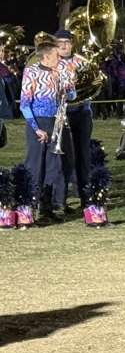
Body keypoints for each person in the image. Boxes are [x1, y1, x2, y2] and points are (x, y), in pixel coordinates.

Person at [19, 42, 74, 221]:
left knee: (53, 166)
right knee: (35, 166)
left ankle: (46, 207)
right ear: (46, 56)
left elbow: (71, 95)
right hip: (37, 122)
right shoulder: (31, 72)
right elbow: (25, 104)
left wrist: (70, 87)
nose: (59, 58)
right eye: (56, 56)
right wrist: (36, 129)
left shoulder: (59, 71)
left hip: (55, 122)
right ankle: (29, 208)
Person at [53, 29, 92, 209]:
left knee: (83, 155)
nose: (63, 45)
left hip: (83, 112)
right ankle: (60, 200)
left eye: (67, 42)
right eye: (60, 42)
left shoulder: (82, 62)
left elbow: (94, 84)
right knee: (63, 157)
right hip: (62, 113)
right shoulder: (51, 63)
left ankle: (86, 198)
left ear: (72, 43)